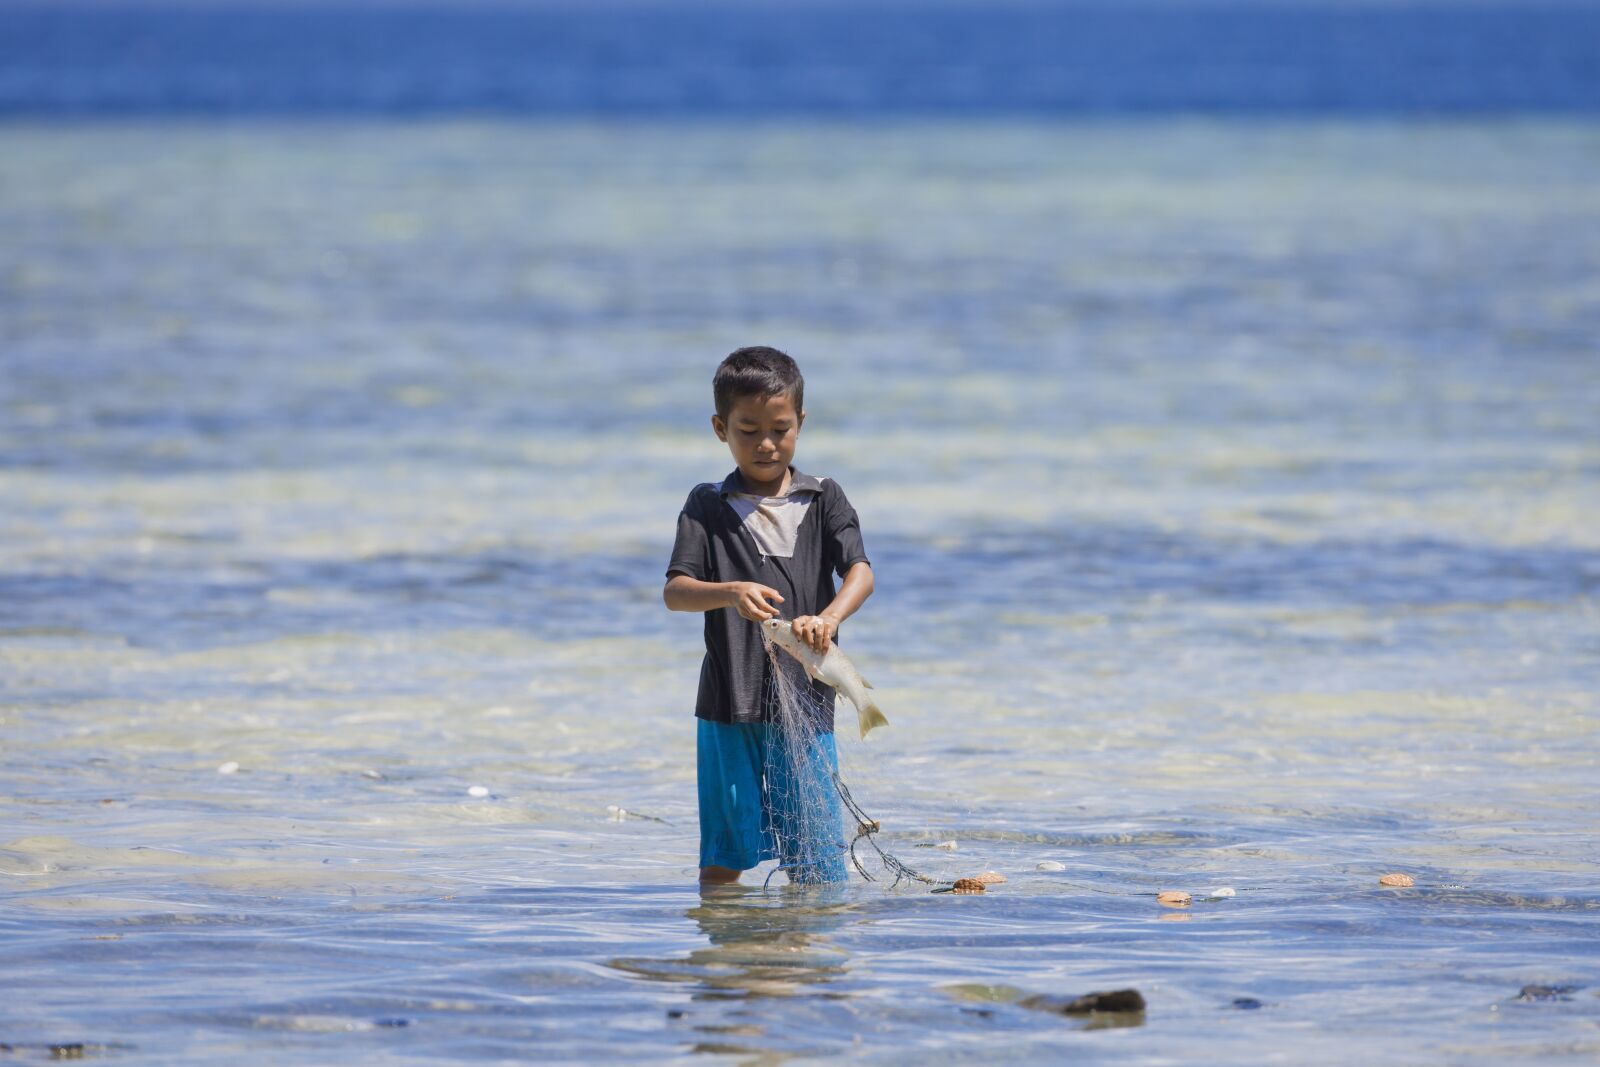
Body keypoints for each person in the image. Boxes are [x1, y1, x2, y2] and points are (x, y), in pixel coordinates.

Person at [664, 346, 874, 885]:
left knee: (820, 865)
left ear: (800, 423)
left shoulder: (824, 497)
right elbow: (677, 592)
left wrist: (827, 618)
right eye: (747, 429)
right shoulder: (705, 505)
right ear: (720, 428)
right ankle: (726, 954)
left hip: (805, 698)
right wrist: (730, 591)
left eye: (780, 429)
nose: (765, 443)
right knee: (723, 858)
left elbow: (861, 574)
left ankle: (806, 959)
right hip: (726, 704)